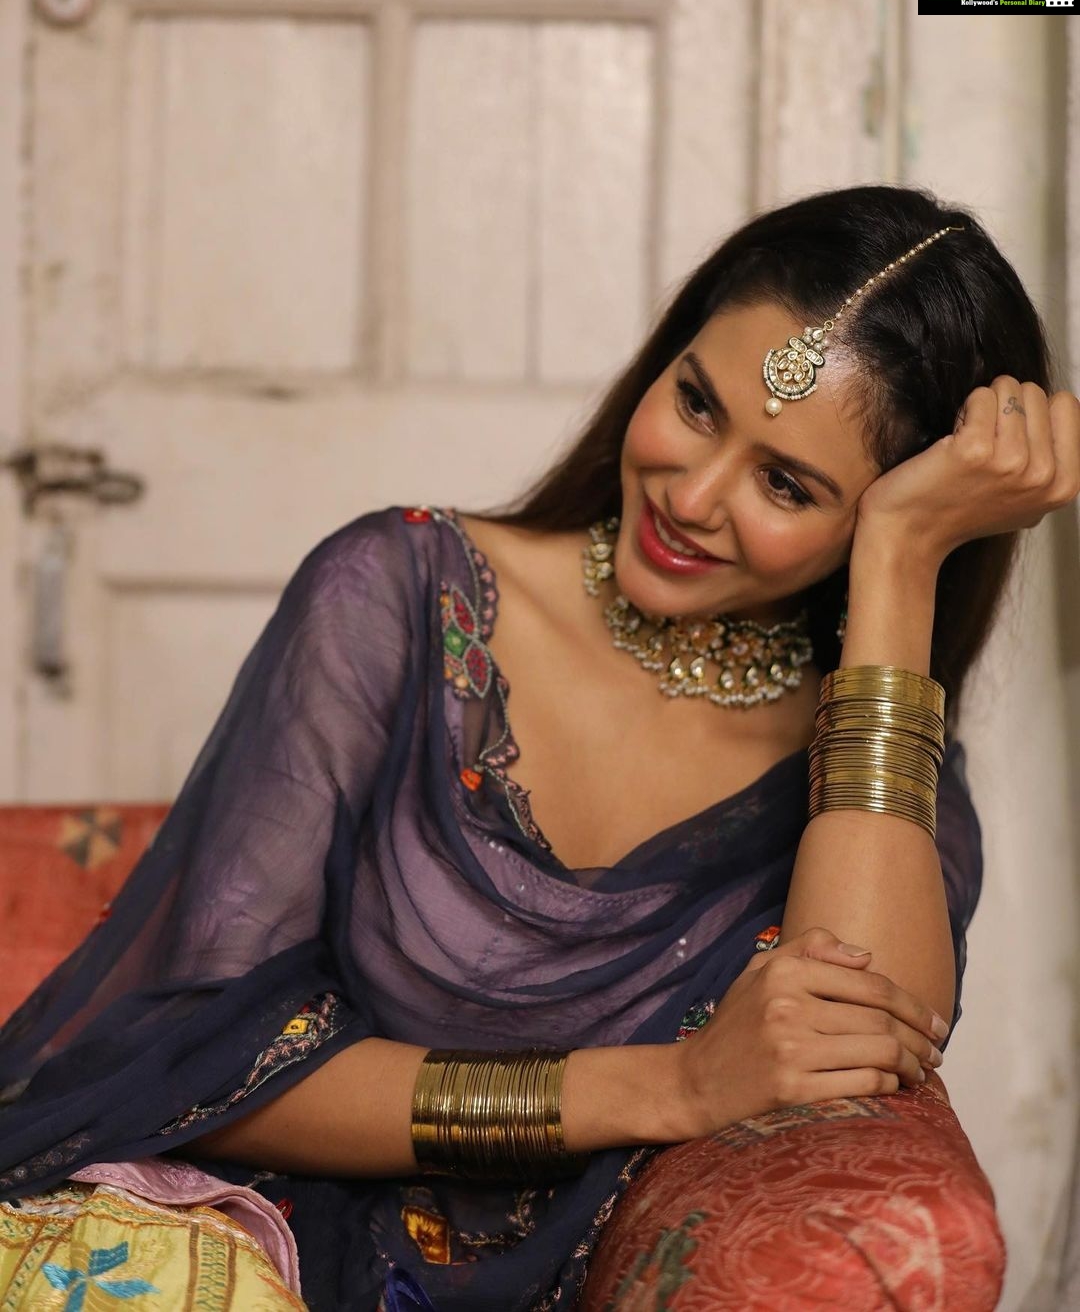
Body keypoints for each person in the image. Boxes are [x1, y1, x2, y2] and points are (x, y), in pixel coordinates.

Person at [0, 184, 1077, 1311]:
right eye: (697, 403)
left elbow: (853, 1066)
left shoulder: (872, 771)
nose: (694, 495)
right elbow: (209, 1059)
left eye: (786, 484)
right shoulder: (399, 596)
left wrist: (901, 566)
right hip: (227, 1244)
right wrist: (665, 1087)